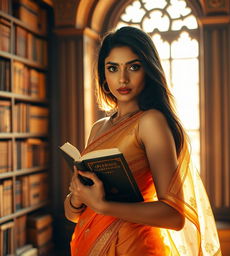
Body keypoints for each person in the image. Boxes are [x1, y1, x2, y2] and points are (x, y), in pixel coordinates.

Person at [64, 26, 221, 256]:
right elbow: (74, 214)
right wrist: (77, 197)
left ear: (148, 70)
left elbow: (174, 216)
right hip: (89, 243)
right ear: (104, 75)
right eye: (113, 68)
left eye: (133, 67)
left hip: (133, 246)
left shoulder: (151, 122)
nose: (123, 78)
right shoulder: (99, 128)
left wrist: (103, 206)